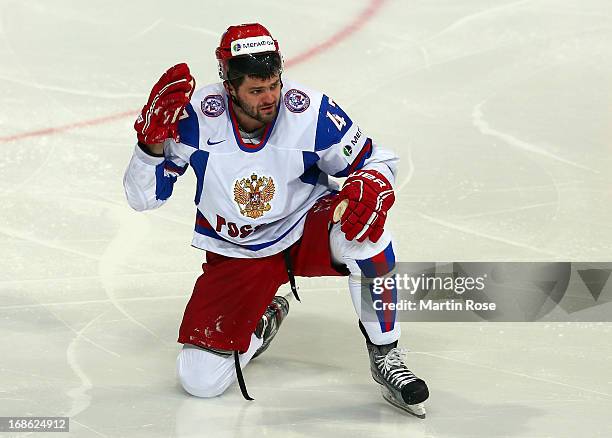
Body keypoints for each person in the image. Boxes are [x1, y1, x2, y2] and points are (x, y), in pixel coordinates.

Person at [123, 23, 429, 418]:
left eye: (273, 85)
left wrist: (373, 181)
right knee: (199, 382)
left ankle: (386, 354)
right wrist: (148, 147)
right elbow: (143, 198)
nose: (269, 99)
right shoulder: (197, 118)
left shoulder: (311, 111)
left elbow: (375, 158)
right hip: (236, 251)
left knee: (367, 230)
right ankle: (263, 320)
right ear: (229, 87)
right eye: (256, 90)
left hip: (305, 229)